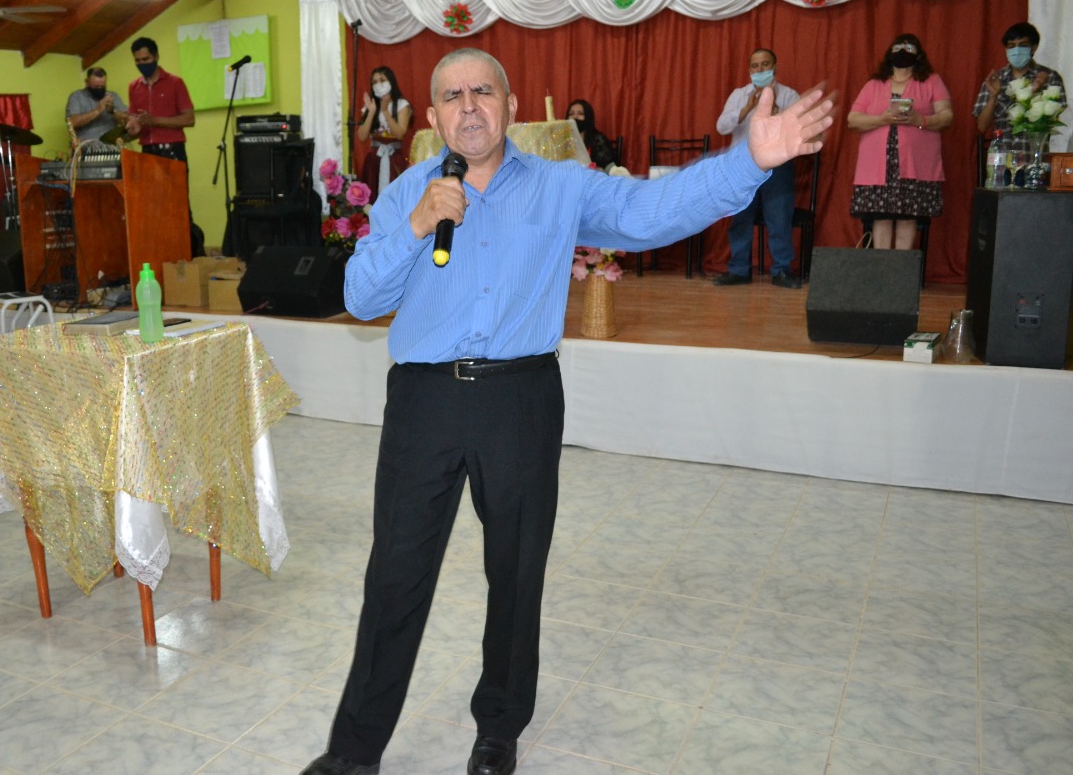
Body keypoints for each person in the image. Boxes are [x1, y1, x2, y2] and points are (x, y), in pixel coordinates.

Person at [299, 48, 834, 775]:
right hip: (424, 400)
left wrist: (748, 161)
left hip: (519, 398)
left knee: (516, 572)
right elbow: (361, 297)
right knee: (394, 575)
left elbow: (650, 211)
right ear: (431, 117)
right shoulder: (406, 197)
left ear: (511, 106)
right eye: (452, 95)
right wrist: (417, 224)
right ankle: (354, 750)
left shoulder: (559, 185)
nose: (469, 106)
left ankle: (499, 728)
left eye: (483, 91)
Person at [847, 34, 953, 251]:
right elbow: (853, 119)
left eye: (909, 48)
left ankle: (901, 269)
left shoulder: (931, 81)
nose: (903, 52)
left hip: (916, 165)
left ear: (919, 54)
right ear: (889, 53)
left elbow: (946, 116)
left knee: (907, 218)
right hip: (877, 167)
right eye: (898, 47)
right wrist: (882, 119)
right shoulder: (873, 85)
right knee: (881, 217)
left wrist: (920, 120)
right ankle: (883, 268)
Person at [713, 48, 803, 288]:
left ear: (775, 67)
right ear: (749, 70)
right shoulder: (739, 95)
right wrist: (746, 108)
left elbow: (798, 130)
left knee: (779, 219)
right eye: (755, 66)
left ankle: (781, 270)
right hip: (742, 167)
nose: (760, 69)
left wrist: (775, 112)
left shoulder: (789, 95)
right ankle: (739, 270)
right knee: (740, 220)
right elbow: (721, 127)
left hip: (777, 167)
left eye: (765, 64)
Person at [125, 36, 203, 256]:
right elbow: (135, 119)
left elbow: (189, 119)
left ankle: (190, 256)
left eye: (146, 59)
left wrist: (155, 121)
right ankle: (162, 254)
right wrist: (131, 127)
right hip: (147, 152)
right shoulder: (134, 87)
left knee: (178, 206)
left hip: (172, 151)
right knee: (152, 208)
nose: (142, 64)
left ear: (156, 57)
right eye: (138, 61)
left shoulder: (175, 83)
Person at [974, 21, 1067, 157]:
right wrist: (994, 96)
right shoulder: (996, 79)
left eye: (1023, 45)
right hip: (1001, 158)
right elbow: (981, 126)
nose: (1016, 51)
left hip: (1034, 157)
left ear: (1033, 48)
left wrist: (1036, 92)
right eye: (1011, 46)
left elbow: (1052, 120)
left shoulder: (1050, 77)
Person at [356, 66, 412, 196]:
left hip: (395, 158)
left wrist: (385, 111)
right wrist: (371, 112)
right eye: (374, 82)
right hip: (374, 159)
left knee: (395, 195)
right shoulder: (370, 106)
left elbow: (400, 134)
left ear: (391, 81)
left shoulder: (402, 104)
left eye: (382, 80)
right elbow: (362, 136)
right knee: (372, 196)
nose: (378, 84)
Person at [65, 66, 128, 144]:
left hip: (112, 145)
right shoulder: (76, 97)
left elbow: (127, 120)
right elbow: (72, 123)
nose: (99, 89)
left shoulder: (113, 96)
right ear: (87, 82)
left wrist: (112, 111)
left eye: (102, 86)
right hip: (86, 145)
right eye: (96, 87)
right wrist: (97, 111)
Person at [566, 99, 618, 170]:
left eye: (580, 114)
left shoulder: (598, 139)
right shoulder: (563, 139)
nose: (575, 117)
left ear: (588, 117)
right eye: (571, 114)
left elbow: (606, 167)